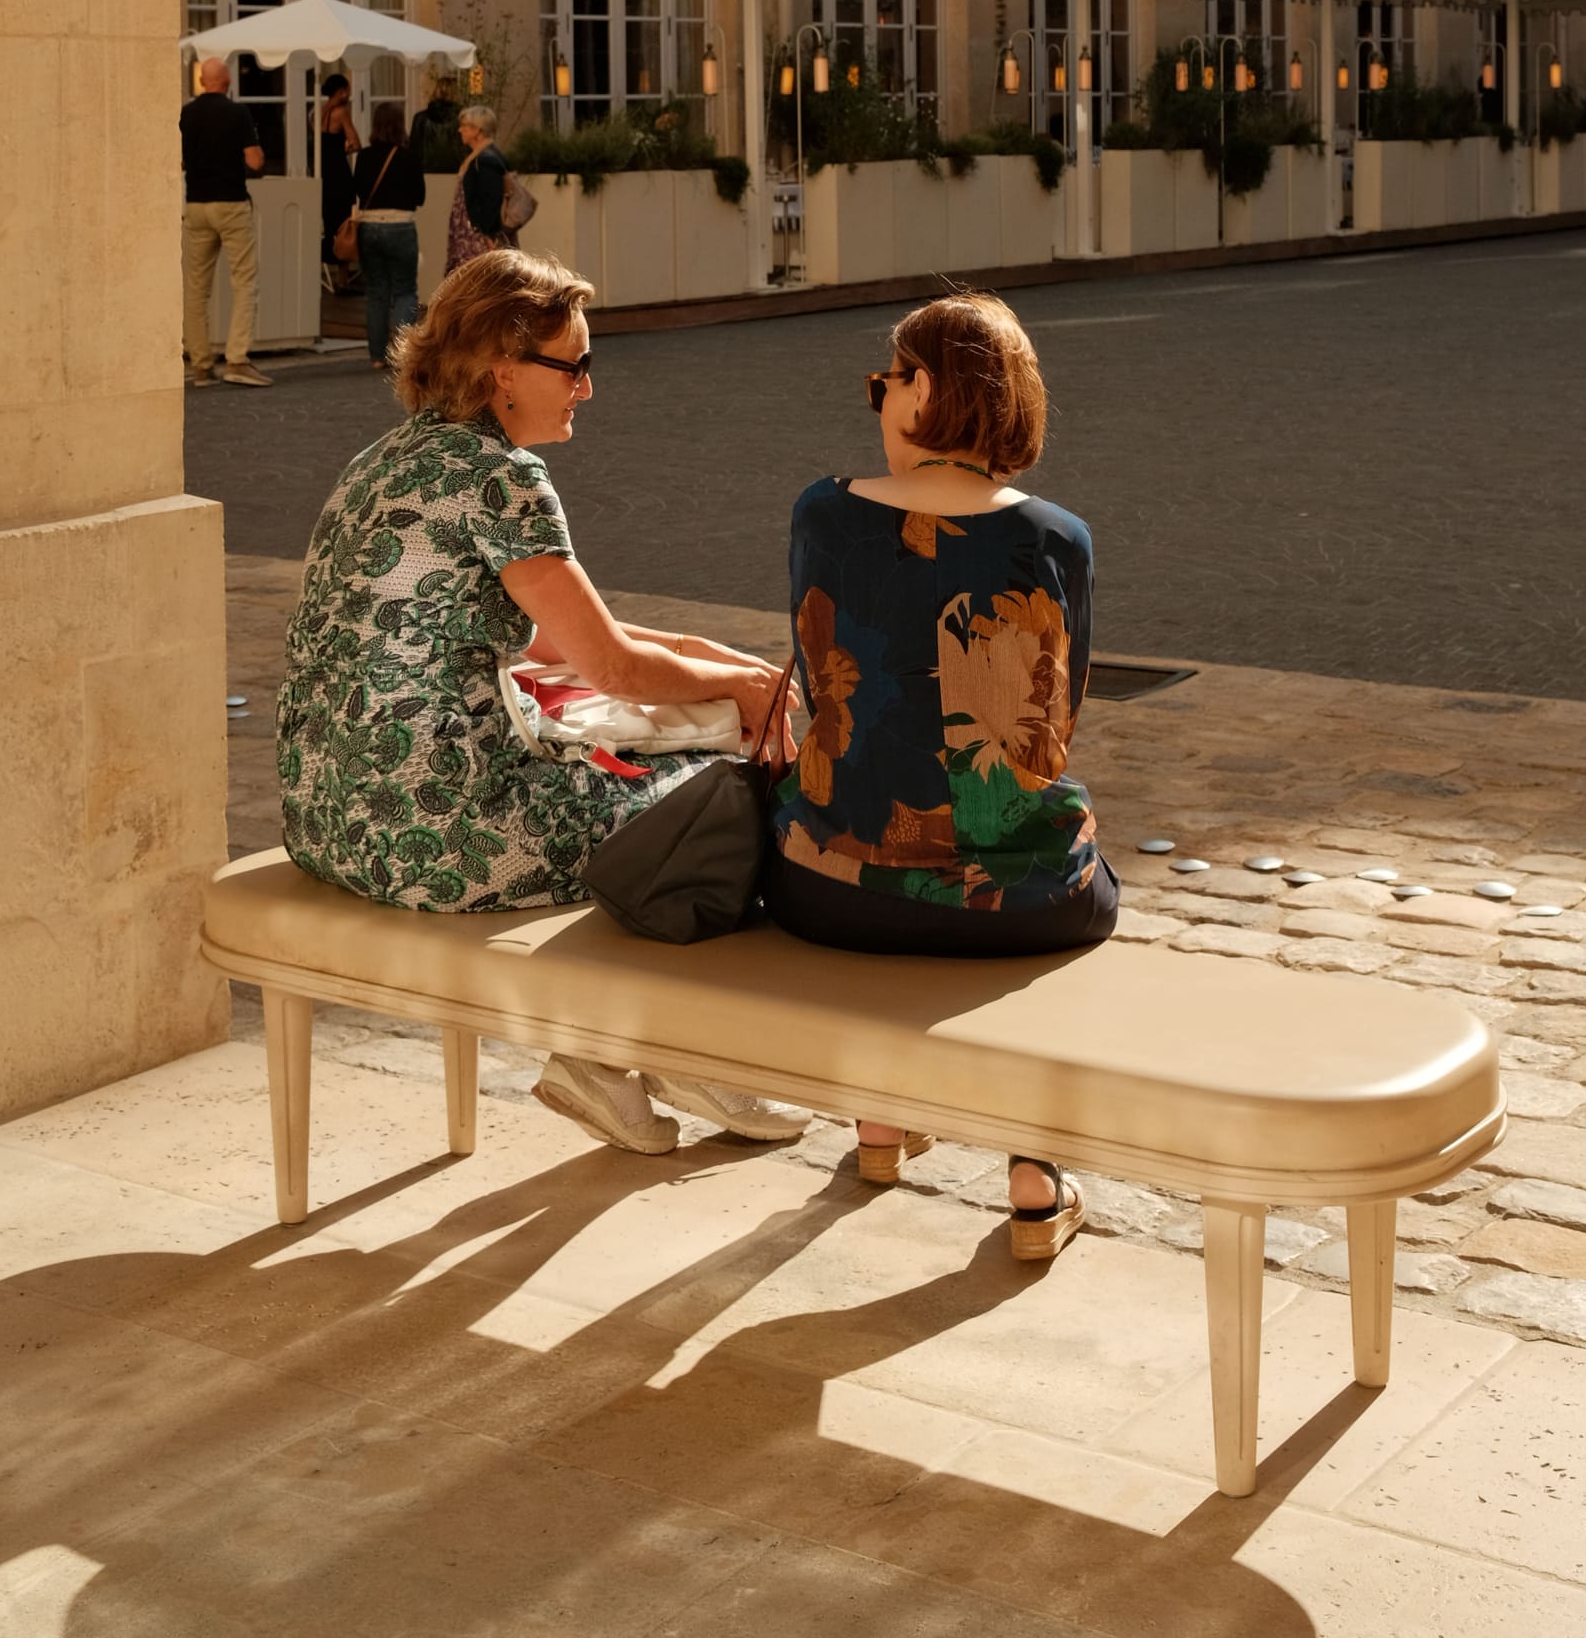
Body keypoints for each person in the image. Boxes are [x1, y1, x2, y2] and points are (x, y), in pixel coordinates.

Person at [277, 246, 805, 1157]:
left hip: (326, 814)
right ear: (501, 369)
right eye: (574, 364)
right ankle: (675, 1053)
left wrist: (730, 669)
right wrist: (742, 693)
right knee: (715, 802)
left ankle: (609, 1057)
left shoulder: (388, 458)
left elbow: (568, 637)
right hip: (436, 830)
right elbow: (615, 668)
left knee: (660, 774)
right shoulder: (501, 477)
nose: (587, 387)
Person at [763, 292, 1118, 1261]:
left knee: (863, 806)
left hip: (832, 886)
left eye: (883, 382)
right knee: (1047, 853)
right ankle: (1033, 1175)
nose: (877, 400)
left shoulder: (824, 512)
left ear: (922, 389)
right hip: (1017, 906)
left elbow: (824, 680)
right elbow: (1053, 729)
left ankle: (881, 1122)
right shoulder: (1056, 538)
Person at [180, 56, 269, 388]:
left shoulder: (186, 114)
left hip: (196, 204)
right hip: (231, 203)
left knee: (196, 287)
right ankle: (237, 359)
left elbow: (180, 159)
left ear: (203, 81)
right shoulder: (237, 113)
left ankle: (201, 364)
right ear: (228, 82)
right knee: (244, 280)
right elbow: (255, 160)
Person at [350, 98, 426, 371]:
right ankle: (402, 355)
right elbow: (419, 197)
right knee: (405, 291)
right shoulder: (408, 157)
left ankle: (377, 355)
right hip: (401, 226)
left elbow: (358, 190)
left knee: (376, 292)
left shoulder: (364, 157)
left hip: (370, 227)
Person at [446, 101, 514, 268]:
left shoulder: (486, 159)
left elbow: (492, 198)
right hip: (473, 235)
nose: (460, 130)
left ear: (478, 130)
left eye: (465, 126)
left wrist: (489, 234)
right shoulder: (481, 156)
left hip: (479, 239)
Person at [318, 71, 362, 286]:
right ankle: (343, 279)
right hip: (340, 174)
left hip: (323, 173)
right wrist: (345, 149)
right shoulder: (341, 113)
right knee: (344, 224)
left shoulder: (318, 112)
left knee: (329, 221)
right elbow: (356, 142)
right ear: (342, 91)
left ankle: (329, 269)